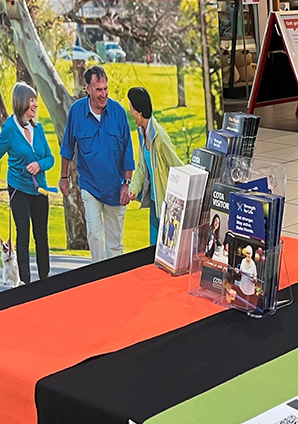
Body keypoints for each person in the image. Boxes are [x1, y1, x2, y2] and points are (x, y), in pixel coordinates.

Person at [59, 66, 135, 261]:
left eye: (105, 88)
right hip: (90, 185)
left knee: (115, 242)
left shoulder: (118, 112)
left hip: (116, 187)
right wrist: (64, 177)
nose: (103, 94)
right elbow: (67, 147)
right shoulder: (76, 111)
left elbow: (128, 151)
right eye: (98, 89)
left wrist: (127, 184)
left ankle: (114, 277)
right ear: (88, 89)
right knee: (94, 232)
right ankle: (98, 274)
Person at [0, 82, 54, 283]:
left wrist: (39, 165)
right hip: (18, 188)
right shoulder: (9, 129)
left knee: (41, 235)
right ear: (22, 101)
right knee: (23, 235)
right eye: (32, 100)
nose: (35, 105)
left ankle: (45, 280)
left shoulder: (38, 129)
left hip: (39, 189)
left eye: (35, 100)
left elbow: (50, 158)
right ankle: (25, 283)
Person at [127, 87, 181, 246]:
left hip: (166, 204)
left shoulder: (159, 136)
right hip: (154, 202)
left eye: (131, 107)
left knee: (165, 247)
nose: (130, 112)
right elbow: (142, 166)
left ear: (139, 111)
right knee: (153, 247)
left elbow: (177, 166)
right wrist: (133, 189)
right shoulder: (142, 132)